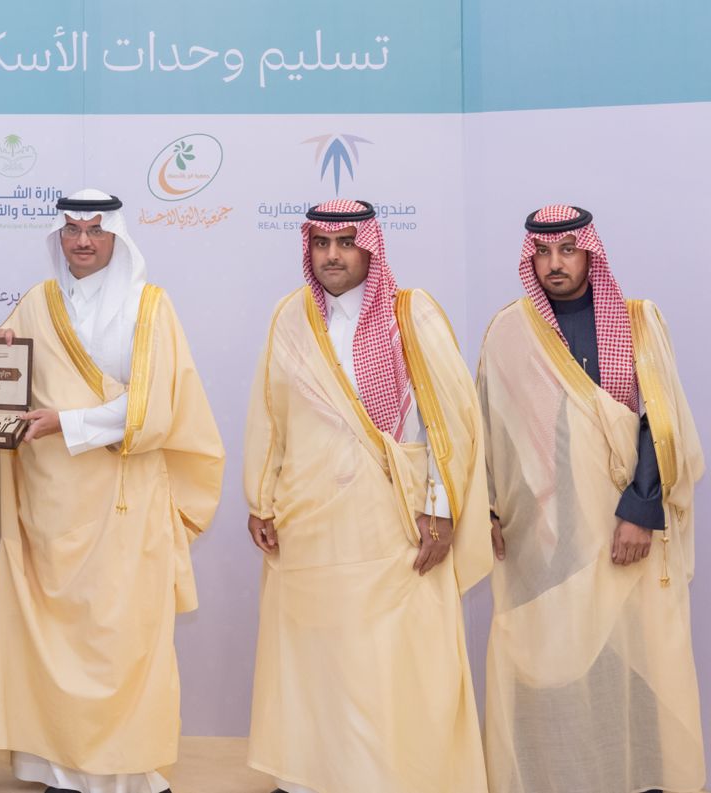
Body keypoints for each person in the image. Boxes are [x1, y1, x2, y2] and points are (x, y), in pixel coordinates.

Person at [0, 189, 225, 793]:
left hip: (123, 498)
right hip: (50, 504)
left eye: (96, 231)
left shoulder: (149, 307)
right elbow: (0, 382)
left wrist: (69, 423)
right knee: (54, 639)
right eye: (73, 230)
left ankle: (125, 773)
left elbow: (155, 406)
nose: (83, 241)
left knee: (119, 637)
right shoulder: (36, 303)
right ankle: (55, 768)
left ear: (117, 237)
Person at [243, 198, 491, 793]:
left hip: (393, 523)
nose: (332, 255)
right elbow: (270, 414)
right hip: (308, 522)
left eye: (346, 243)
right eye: (321, 244)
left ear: (371, 248)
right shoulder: (290, 315)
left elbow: (448, 421)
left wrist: (440, 508)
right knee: (316, 658)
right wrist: (260, 498)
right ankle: (310, 780)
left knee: (388, 662)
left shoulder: (411, 313)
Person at [477, 204, 703, 793]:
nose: (555, 264)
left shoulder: (637, 322)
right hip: (544, 536)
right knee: (552, 667)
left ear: (590, 254)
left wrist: (641, 510)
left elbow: (661, 423)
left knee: (631, 660)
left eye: (568, 250)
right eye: (543, 253)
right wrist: (489, 508)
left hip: (623, 527)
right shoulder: (509, 332)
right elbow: (489, 425)